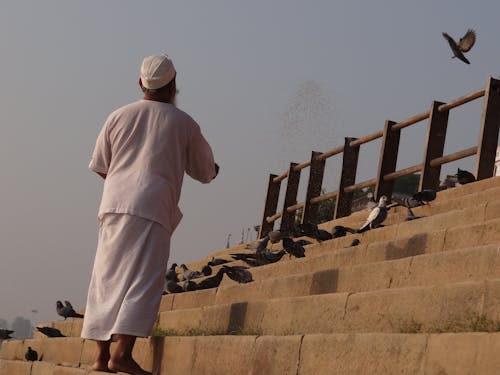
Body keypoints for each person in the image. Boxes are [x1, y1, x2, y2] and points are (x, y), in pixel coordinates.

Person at [81, 54, 218, 375]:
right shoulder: (184, 122)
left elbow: (102, 166)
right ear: (173, 84)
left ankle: (101, 358)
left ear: (141, 84)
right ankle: (122, 355)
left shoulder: (117, 116)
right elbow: (205, 170)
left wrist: (124, 185)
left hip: (114, 204)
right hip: (153, 205)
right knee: (143, 279)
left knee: (105, 276)